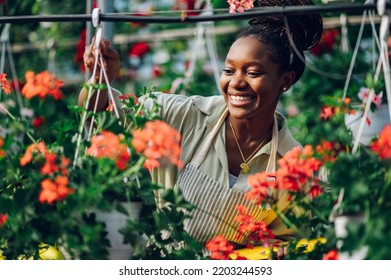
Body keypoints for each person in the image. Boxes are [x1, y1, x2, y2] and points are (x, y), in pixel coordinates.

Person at [80, 0, 323, 255]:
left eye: (252, 73)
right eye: (229, 70)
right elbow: (102, 116)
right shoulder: (185, 115)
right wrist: (99, 80)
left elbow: (289, 242)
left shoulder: (292, 164)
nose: (235, 83)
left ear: (285, 80)